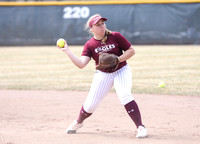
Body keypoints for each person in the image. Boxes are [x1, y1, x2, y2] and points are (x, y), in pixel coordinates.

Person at [57, 14, 148, 138]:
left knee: (125, 95)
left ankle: (140, 127)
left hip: (121, 70)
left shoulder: (115, 36)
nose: (101, 26)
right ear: (91, 29)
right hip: (103, 74)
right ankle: (78, 122)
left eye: (102, 24)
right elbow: (81, 64)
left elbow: (131, 50)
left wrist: (118, 59)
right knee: (90, 105)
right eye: (98, 25)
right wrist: (67, 51)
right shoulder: (90, 45)